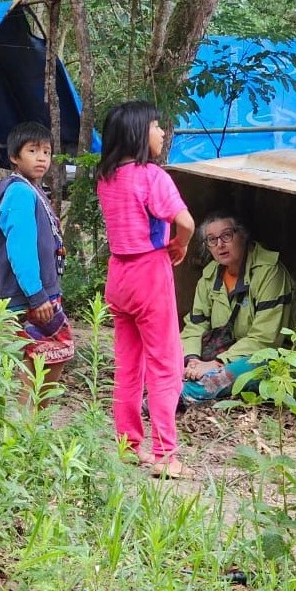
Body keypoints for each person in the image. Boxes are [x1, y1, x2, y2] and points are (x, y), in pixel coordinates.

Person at [97, 101, 195, 478]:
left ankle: (127, 445)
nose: (161, 133)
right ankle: (166, 455)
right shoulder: (152, 176)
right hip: (149, 272)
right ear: (139, 133)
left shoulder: (106, 177)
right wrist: (181, 244)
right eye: (156, 126)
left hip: (118, 275)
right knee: (165, 364)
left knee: (127, 365)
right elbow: (185, 221)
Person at [180, 211, 296, 404]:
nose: (220, 245)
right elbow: (195, 325)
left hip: (276, 361)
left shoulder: (269, 272)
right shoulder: (210, 275)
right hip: (222, 354)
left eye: (226, 236)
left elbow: (265, 340)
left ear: (243, 235)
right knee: (168, 353)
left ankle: (181, 395)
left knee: (242, 368)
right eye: (212, 240)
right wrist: (192, 360)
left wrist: (218, 363)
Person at [0, 122, 75, 407]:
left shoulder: (32, 190)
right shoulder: (20, 193)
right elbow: (20, 249)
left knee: (38, 357)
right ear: (15, 156)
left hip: (38, 294)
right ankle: (29, 421)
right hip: (32, 296)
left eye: (47, 152)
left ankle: (31, 423)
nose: (41, 158)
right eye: (33, 150)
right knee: (53, 350)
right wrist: (37, 295)